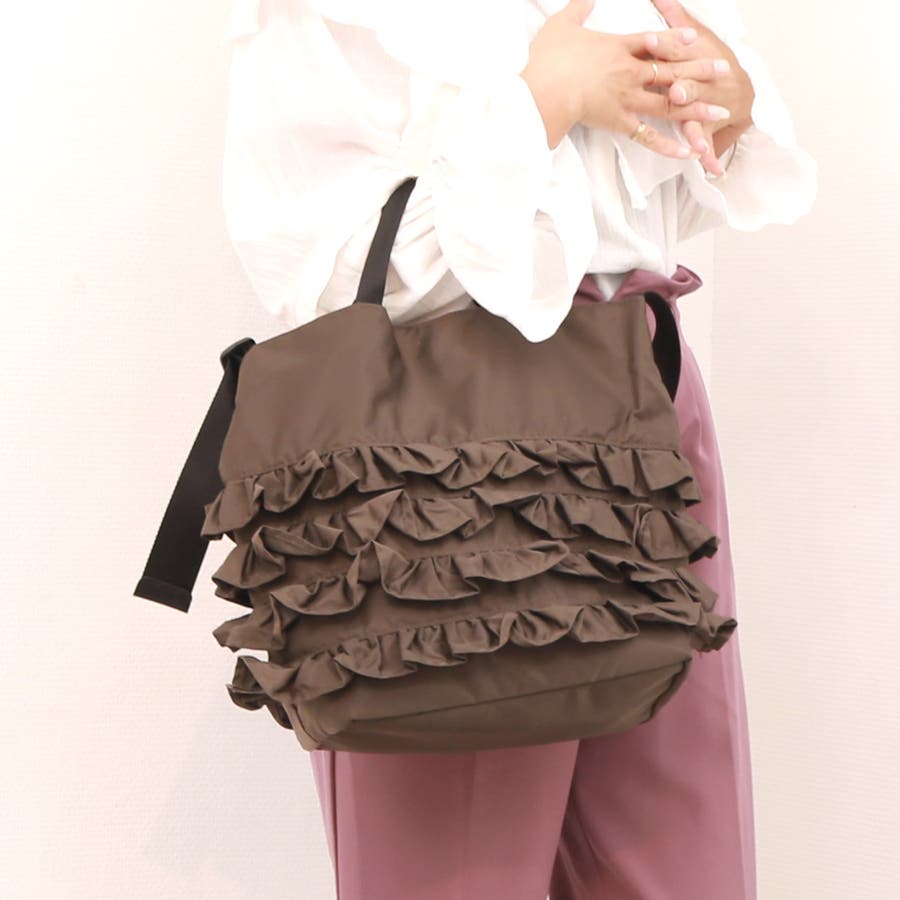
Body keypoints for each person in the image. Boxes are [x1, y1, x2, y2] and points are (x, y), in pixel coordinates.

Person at [218, 1, 817, 897]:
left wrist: (725, 113)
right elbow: (326, 270)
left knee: (681, 863)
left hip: (645, 415)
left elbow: (638, 213)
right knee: (453, 874)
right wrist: (539, 105)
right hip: (434, 463)